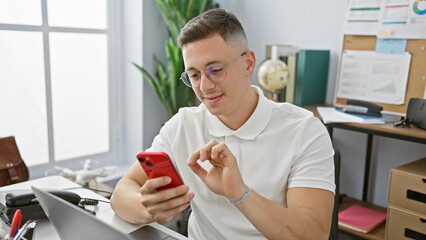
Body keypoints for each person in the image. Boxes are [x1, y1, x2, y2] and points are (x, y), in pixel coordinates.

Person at [110, 8, 335, 240]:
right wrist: (146, 207)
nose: (205, 87)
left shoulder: (305, 130)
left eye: (216, 70)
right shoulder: (183, 125)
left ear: (248, 64)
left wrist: (240, 193)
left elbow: (313, 235)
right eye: (194, 75)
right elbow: (123, 191)